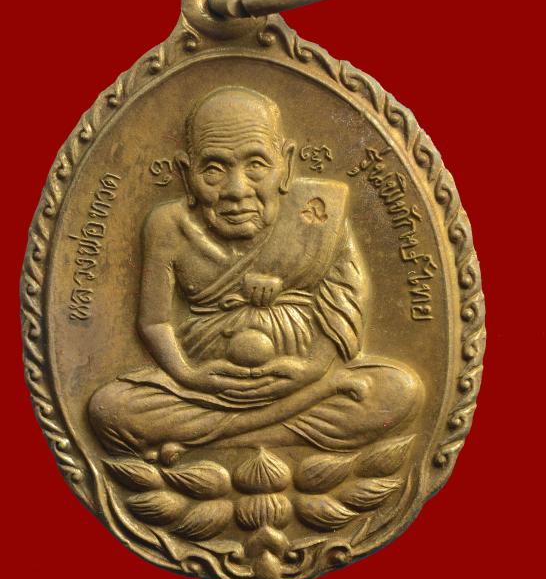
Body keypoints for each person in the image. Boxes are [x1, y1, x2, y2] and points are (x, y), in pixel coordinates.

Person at [89, 86, 422, 461]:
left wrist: (313, 370)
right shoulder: (169, 226)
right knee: (110, 408)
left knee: (396, 390)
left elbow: (345, 305)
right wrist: (187, 374)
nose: (236, 189)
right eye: (213, 169)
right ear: (187, 173)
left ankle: (208, 443)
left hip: (301, 380)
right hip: (206, 388)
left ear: (286, 165)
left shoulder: (319, 216)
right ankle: (268, 432)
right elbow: (155, 321)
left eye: (256, 165)